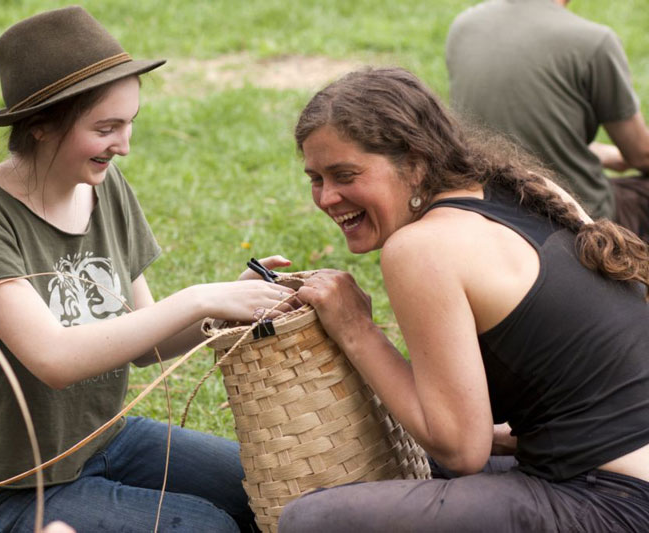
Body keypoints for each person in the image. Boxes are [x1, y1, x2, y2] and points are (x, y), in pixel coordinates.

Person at [0, 6, 293, 532]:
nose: (123, 145)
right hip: (16, 485)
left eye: (129, 124)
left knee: (269, 486)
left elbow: (147, 344)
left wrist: (228, 304)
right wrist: (196, 297)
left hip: (107, 438)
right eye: (106, 128)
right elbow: (52, 359)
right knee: (207, 527)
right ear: (39, 126)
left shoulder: (105, 186)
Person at [276, 67, 649, 532]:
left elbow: (461, 449)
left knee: (312, 519)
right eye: (315, 178)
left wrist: (355, 327)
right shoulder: (526, 189)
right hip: (617, 469)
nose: (328, 197)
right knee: (411, 466)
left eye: (344, 175)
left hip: (617, 503)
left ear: (414, 162)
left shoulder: (421, 248)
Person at [445, 0, 649, 242]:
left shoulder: (464, 26)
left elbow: (511, 126)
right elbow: (641, 155)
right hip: (576, 221)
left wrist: (595, 153)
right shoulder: (593, 42)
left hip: (488, 210)